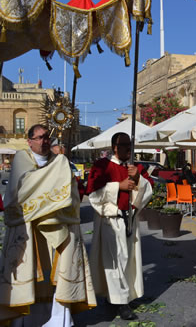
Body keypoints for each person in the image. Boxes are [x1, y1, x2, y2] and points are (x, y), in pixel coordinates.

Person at [0, 124, 96, 326]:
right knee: (29, 277)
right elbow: (20, 193)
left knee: (57, 277)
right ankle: (24, 322)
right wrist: (53, 185)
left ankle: (58, 321)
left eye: (46, 138)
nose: (44, 141)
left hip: (57, 228)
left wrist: (60, 167)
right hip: (28, 230)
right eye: (39, 137)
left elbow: (72, 196)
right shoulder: (21, 161)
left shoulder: (60, 162)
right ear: (30, 141)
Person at [86, 132, 153, 321]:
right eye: (124, 145)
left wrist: (138, 178)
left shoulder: (136, 167)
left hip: (129, 218)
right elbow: (93, 194)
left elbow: (149, 191)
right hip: (111, 220)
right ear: (114, 147)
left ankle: (115, 296)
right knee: (116, 260)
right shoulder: (102, 166)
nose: (128, 149)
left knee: (127, 260)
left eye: (130, 145)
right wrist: (118, 186)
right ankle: (121, 302)